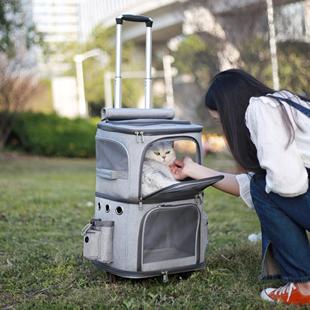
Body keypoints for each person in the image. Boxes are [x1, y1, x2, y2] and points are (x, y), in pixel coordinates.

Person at [170, 69, 310, 305]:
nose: (224, 128)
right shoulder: (283, 103)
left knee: (264, 186)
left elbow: (285, 184)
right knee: (262, 186)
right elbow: (254, 187)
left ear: (230, 111)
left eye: (220, 119)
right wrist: (193, 170)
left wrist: (264, 184)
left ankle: (303, 285)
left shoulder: (260, 108)